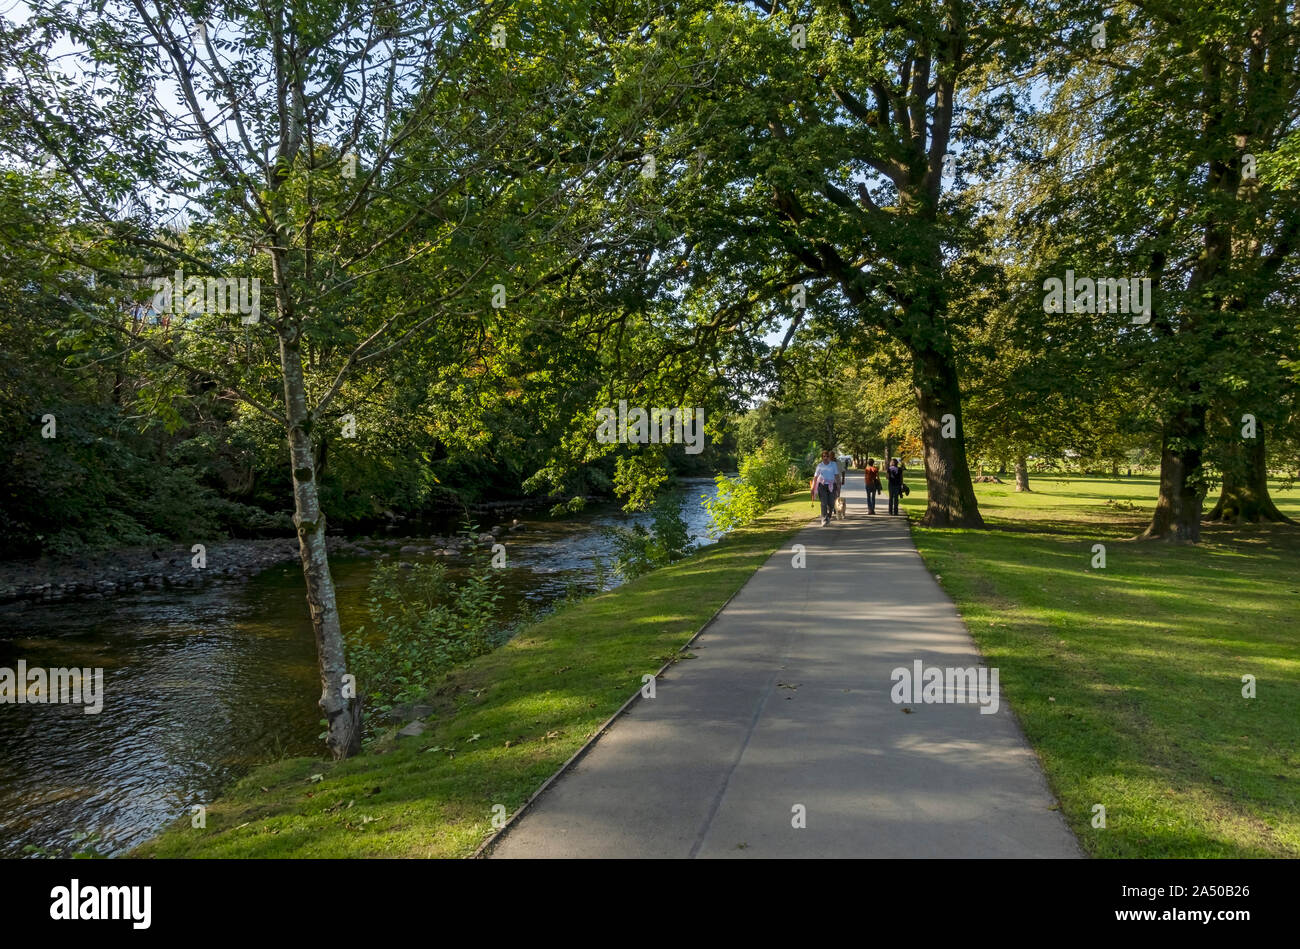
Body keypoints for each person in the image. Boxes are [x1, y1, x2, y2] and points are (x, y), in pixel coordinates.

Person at [811, 449, 840, 526]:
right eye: (824, 456)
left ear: (829, 457)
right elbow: (815, 477)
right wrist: (813, 488)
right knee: (823, 503)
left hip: (832, 485)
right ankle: (824, 519)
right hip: (822, 486)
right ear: (822, 457)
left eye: (827, 456)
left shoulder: (833, 464)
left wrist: (838, 486)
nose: (825, 458)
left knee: (831, 503)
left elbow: (836, 476)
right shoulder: (819, 466)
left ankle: (829, 515)